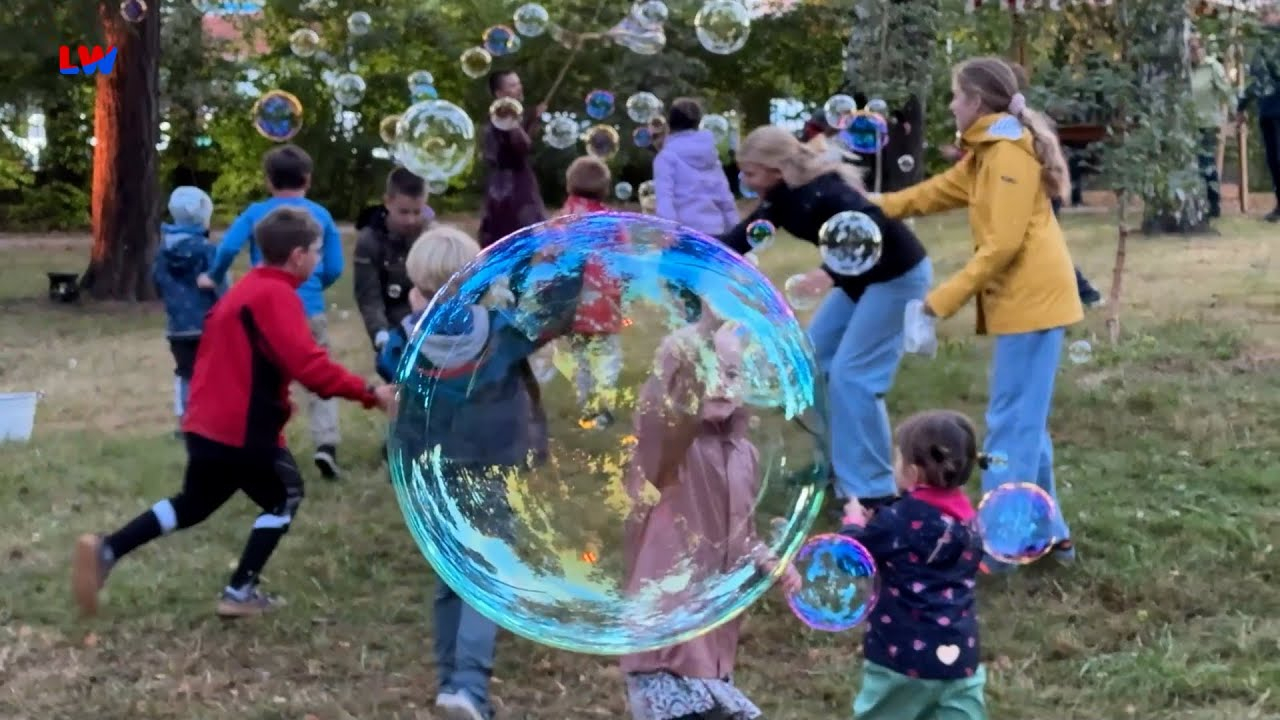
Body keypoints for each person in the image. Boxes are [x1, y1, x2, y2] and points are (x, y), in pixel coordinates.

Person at [72, 207, 396, 619]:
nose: (318, 259)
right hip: (241, 430)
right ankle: (239, 590)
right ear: (298, 255)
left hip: (206, 424)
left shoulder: (246, 289)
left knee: (194, 503)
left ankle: (108, 549)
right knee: (284, 496)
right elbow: (311, 368)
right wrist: (371, 393)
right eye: (316, 251)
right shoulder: (275, 296)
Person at [872, 56, 1081, 570]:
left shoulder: (1007, 154)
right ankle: (1050, 536)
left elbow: (1002, 246)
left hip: (1033, 301)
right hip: (1028, 302)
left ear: (978, 102)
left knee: (1011, 427)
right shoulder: (989, 152)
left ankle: (1002, 548)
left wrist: (937, 302)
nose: (950, 105)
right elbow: (940, 191)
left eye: (956, 96)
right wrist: (878, 205)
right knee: (1023, 421)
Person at [384, 225, 570, 720]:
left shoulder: (404, 340)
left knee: (452, 577)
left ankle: (451, 682)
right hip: (494, 468)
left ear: (416, 278)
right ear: (478, 276)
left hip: (433, 474)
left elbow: (391, 382)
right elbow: (554, 313)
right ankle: (468, 687)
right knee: (485, 579)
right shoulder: (502, 329)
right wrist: (544, 261)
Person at [720, 125, 932, 512]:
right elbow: (740, 239)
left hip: (896, 276)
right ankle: (839, 469)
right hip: (861, 281)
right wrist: (683, 247)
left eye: (750, 173)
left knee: (854, 377)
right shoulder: (782, 198)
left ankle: (874, 491)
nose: (745, 182)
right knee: (814, 365)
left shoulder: (827, 192)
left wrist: (829, 273)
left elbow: (875, 228)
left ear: (775, 168)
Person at [621, 314, 800, 720]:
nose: (720, 383)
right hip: (666, 639)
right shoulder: (668, 450)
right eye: (703, 372)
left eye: (732, 373)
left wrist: (768, 562)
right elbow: (656, 410)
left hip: (713, 640)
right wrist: (702, 332)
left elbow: (743, 532)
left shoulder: (745, 454)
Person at [200, 144, 348, 480]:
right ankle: (326, 444)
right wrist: (314, 285)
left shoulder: (255, 213)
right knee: (319, 376)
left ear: (269, 181)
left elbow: (227, 249)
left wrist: (213, 275)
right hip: (308, 310)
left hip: (262, 313)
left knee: (260, 381)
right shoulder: (320, 215)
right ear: (307, 179)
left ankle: (260, 447)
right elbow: (336, 266)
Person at [841, 410, 987, 720]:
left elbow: (853, 558)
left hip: (901, 659)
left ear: (912, 471)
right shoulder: (970, 522)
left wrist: (853, 524)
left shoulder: (898, 519)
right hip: (961, 658)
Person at [559, 156, 624, 428]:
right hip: (603, 304)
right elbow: (624, 258)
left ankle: (586, 406)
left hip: (571, 305)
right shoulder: (610, 221)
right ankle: (603, 408)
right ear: (605, 189)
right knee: (606, 354)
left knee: (579, 357)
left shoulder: (562, 219)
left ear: (569, 186)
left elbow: (552, 257)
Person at [152, 186, 221, 433]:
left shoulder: (163, 252)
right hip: (209, 324)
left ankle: (186, 423)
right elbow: (219, 283)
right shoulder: (208, 250)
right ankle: (211, 419)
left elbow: (157, 280)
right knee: (212, 374)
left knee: (185, 373)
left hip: (178, 326)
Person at [354, 167, 433, 356]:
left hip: (432, 332)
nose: (411, 220)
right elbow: (369, 297)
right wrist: (381, 337)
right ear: (387, 202)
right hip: (393, 333)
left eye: (417, 211)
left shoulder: (433, 236)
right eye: (404, 212)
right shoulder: (369, 241)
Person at [478, 70, 549, 247]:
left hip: (501, 186)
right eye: (512, 85)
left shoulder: (507, 117)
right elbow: (523, 147)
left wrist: (534, 119)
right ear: (500, 93)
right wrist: (531, 121)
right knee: (519, 237)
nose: (519, 88)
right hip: (513, 188)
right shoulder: (504, 117)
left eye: (518, 83)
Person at [653, 98, 740, 236]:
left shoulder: (665, 157)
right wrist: (735, 231)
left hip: (684, 235)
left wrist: (667, 231)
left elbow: (664, 199)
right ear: (698, 123)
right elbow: (725, 197)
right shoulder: (710, 155)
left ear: (669, 124)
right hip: (715, 231)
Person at [1238, 7, 1280, 223]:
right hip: (1267, 110)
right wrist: (1241, 106)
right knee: (1273, 160)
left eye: (1267, 13)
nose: (1262, 19)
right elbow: (1255, 80)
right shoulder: (1260, 47)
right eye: (1260, 15)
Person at [1189, 30, 1233, 223]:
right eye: (1189, 48)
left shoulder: (1212, 67)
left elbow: (1226, 90)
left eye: (1195, 47)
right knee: (1192, 166)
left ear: (1202, 48)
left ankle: (1214, 204)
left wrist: (1236, 112)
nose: (1192, 52)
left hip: (1207, 123)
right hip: (1187, 124)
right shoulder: (1184, 69)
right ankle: (1195, 205)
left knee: (1206, 164)